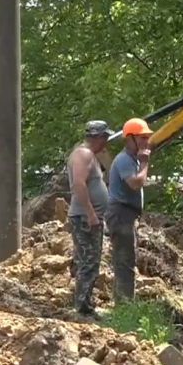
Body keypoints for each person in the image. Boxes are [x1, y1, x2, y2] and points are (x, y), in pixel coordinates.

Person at [67, 120, 113, 316]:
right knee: (88, 264)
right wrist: (91, 214)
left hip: (88, 217)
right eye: (105, 137)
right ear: (98, 136)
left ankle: (85, 305)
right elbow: (78, 184)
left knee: (91, 263)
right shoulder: (83, 154)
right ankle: (82, 310)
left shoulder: (90, 156)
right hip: (84, 218)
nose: (107, 141)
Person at [106, 118, 152, 303]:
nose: (146, 142)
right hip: (120, 213)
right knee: (125, 260)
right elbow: (135, 183)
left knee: (125, 258)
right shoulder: (125, 160)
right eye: (142, 138)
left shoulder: (131, 159)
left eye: (147, 137)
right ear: (130, 138)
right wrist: (144, 163)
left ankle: (123, 302)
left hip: (125, 214)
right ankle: (125, 305)